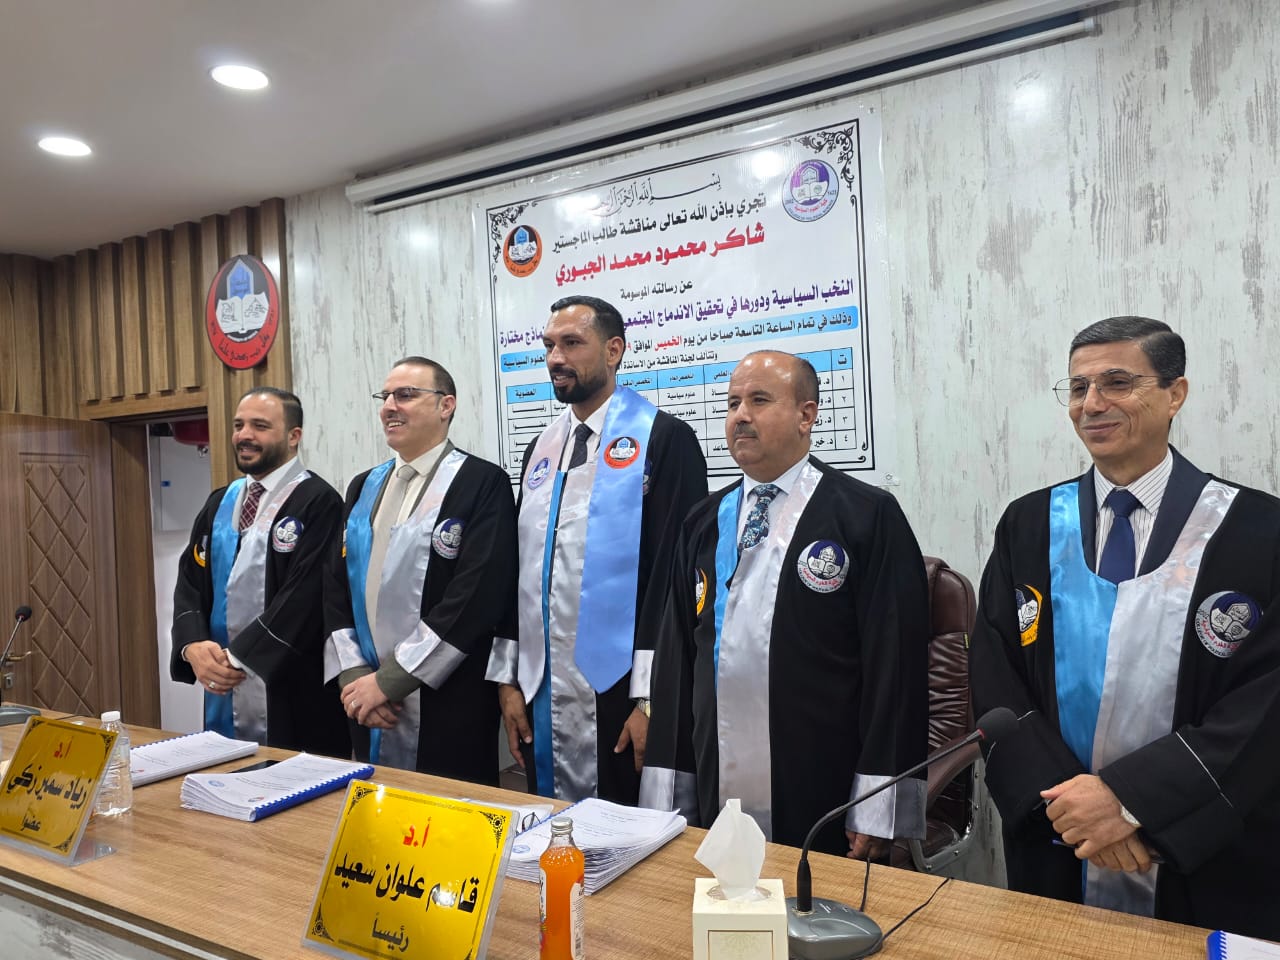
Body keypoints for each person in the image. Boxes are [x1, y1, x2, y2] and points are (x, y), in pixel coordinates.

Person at [969, 316, 1280, 938]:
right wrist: (1073, 811)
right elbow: (996, 673)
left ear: (1175, 394)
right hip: (1060, 840)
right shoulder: (1028, 524)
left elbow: (1265, 705)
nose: (1092, 404)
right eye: (1078, 387)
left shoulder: (1259, 532)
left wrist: (1135, 802)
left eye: (1117, 383)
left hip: (1201, 853)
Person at [639, 351, 929, 856]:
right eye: (733, 403)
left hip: (823, 788)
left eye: (759, 400)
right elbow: (677, 667)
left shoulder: (866, 516)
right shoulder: (702, 523)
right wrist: (670, 796)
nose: (740, 415)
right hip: (714, 782)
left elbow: (896, 670)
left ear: (806, 415)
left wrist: (876, 804)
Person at [488, 295, 707, 803]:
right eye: (549, 346)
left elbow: (675, 580)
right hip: (543, 688)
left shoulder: (664, 439)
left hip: (623, 687)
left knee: (628, 828)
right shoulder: (541, 449)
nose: (556, 358)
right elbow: (520, 572)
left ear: (613, 351)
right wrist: (508, 682)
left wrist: (651, 700)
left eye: (572, 343)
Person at [325, 356, 516, 784]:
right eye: (385, 396)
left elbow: (476, 597)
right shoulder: (362, 486)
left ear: (446, 405)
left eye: (406, 395)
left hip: (448, 700)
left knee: (449, 813)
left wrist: (389, 682)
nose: (390, 406)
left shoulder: (482, 483)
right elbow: (335, 589)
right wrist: (356, 677)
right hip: (366, 701)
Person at [171, 387, 348, 756]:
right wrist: (193, 647)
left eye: (260, 426)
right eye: (239, 425)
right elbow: (190, 581)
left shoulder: (319, 501)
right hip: (222, 682)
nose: (244, 435)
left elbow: (306, 597)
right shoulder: (220, 501)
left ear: (294, 436)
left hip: (294, 692)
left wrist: (238, 659)